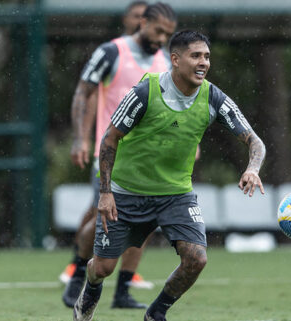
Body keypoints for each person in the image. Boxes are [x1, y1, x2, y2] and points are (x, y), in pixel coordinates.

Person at [72, 30, 266, 321]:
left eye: (207, 57)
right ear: (175, 60)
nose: (204, 63)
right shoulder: (143, 93)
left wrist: (253, 168)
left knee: (197, 259)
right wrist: (105, 192)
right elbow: (109, 140)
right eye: (196, 56)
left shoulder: (213, 97)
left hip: (175, 195)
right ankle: (89, 291)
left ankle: (156, 312)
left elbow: (255, 141)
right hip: (126, 193)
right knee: (102, 268)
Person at [62, 2, 178, 310]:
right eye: (158, 31)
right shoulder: (111, 52)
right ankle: (76, 273)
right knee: (102, 217)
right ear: (142, 23)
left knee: (148, 222)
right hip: (111, 153)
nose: (162, 39)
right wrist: (79, 139)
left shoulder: (166, 60)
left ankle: (123, 291)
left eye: (168, 34)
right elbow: (83, 92)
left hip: (150, 159)